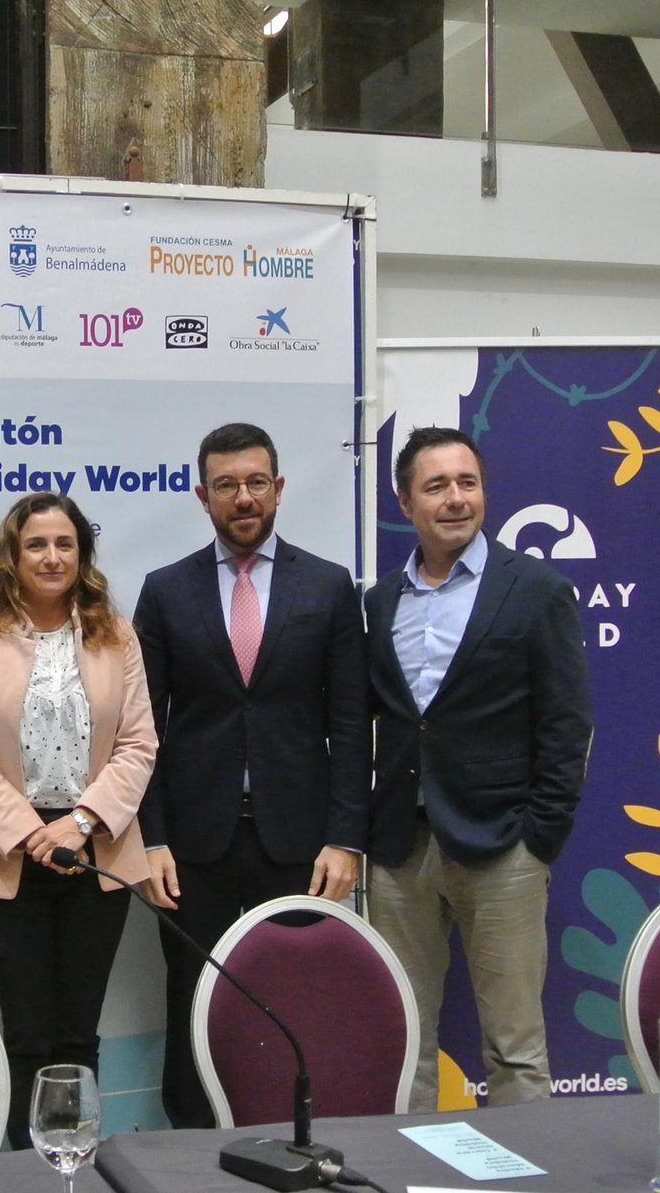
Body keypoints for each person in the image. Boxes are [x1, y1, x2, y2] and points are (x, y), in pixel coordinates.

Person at [132, 422, 370, 1129]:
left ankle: (294, 1134)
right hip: (191, 847)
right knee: (193, 999)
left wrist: (345, 838)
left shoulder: (327, 586)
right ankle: (189, 1149)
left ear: (279, 488)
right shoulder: (165, 590)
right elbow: (140, 730)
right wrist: (151, 837)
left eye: (257, 482)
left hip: (299, 844)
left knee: (295, 999)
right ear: (202, 495)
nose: (244, 498)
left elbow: (351, 723)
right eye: (227, 485)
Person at [366, 425, 593, 1112]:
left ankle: (528, 1169)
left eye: (467, 482)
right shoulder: (381, 601)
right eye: (436, 486)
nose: (456, 498)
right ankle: (408, 1167)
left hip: (503, 849)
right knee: (402, 1043)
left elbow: (567, 724)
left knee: (514, 1049)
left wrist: (539, 837)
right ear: (406, 502)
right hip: (401, 851)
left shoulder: (536, 590)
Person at [0, 492, 156, 1150]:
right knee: (28, 1031)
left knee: (77, 1031)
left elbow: (138, 744)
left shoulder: (117, 637)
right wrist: (31, 831)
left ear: (82, 554)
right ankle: (26, 1168)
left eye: (65, 543)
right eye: (36, 544)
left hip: (97, 852)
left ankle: (75, 1159)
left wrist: (82, 821)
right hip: (11, 856)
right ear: (12, 555)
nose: (52, 556)